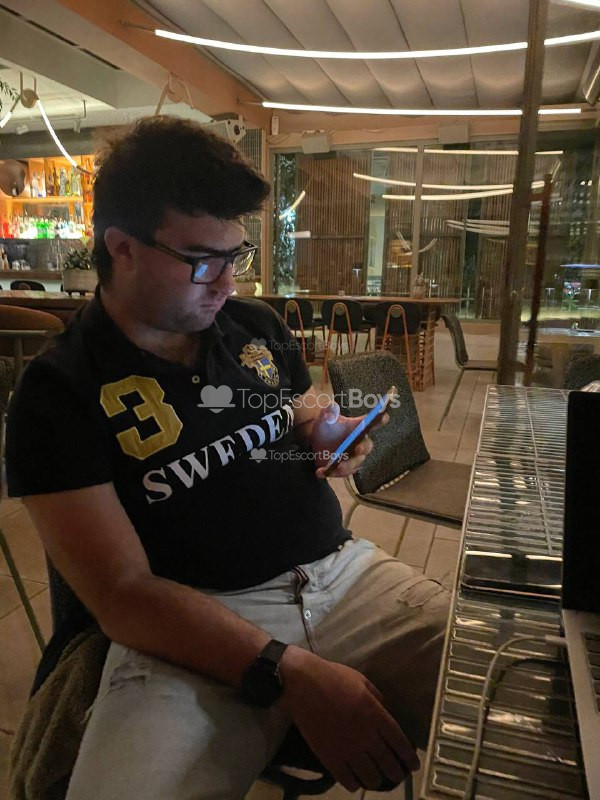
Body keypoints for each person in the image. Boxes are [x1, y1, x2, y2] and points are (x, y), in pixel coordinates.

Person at [7, 116, 448, 800]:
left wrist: (326, 431)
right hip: (193, 626)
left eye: (235, 257)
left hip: (345, 574)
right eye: (202, 260)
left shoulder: (254, 326)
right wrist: (290, 672)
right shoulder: (59, 391)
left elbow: (301, 408)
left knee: (530, 699)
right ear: (121, 247)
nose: (228, 284)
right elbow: (122, 595)